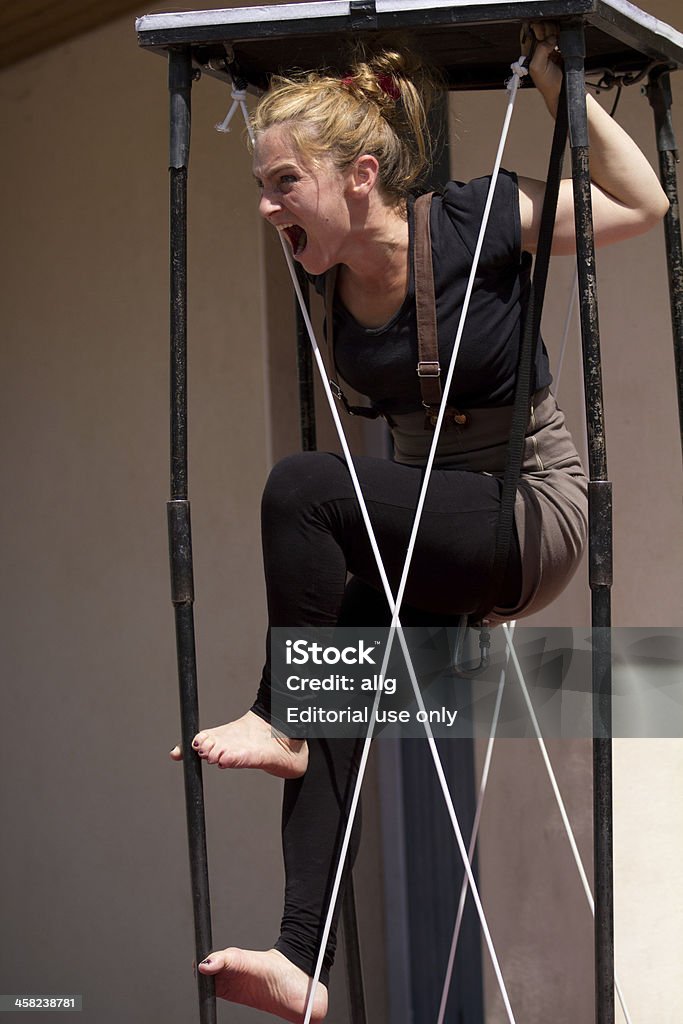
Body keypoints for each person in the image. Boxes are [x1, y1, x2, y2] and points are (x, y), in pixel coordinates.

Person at [170, 22, 668, 1022]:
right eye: (261, 186)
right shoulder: (329, 284)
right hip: (441, 527)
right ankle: (298, 960)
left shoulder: (472, 220)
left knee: (300, 487)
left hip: (530, 509)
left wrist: (553, 80)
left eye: (281, 183)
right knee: (335, 688)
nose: (266, 206)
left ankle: (276, 712)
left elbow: (639, 204)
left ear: (358, 175)